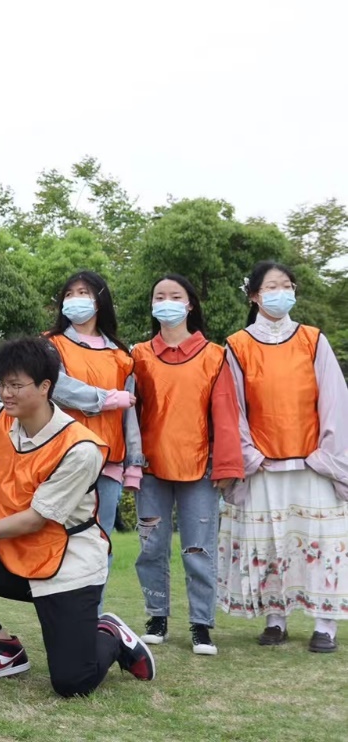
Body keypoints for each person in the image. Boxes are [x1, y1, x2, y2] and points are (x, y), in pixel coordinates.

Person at [0, 335, 156, 696]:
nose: (6, 393)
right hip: (19, 558)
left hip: (67, 567)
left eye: (16, 385)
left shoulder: (79, 447)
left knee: (72, 682)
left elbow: (35, 519)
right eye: (2, 384)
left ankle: (109, 634)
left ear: (46, 387)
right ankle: (5, 648)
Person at [220, 260, 348, 653]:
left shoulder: (313, 339)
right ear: (254, 296)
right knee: (270, 545)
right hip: (263, 465)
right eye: (272, 287)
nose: (281, 293)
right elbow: (231, 406)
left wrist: (327, 455)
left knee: (319, 544)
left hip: (313, 464)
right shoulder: (237, 345)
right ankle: (275, 618)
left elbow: (335, 399)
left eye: (287, 285)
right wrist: (249, 454)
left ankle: (325, 624)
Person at [129, 274, 243, 655]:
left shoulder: (214, 355)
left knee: (199, 549)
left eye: (174, 296)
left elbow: (225, 414)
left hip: (200, 468)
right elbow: (131, 414)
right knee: (150, 547)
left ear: (189, 304)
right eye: (159, 296)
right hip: (150, 467)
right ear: (152, 305)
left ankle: (201, 625)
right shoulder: (139, 355)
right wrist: (130, 463)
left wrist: (226, 467)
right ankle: (156, 616)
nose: (166, 302)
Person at [45, 270, 143, 605]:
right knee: (61, 537)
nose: (75, 299)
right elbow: (58, 388)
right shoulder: (51, 345)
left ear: (100, 300)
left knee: (100, 541)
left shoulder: (122, 356)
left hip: (109, 462)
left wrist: (134, 464)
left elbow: (131, 415)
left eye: (83, 292)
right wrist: (106, 398)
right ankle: (61, 613)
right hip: (63, 457)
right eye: (69, 293)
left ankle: (92, 616)